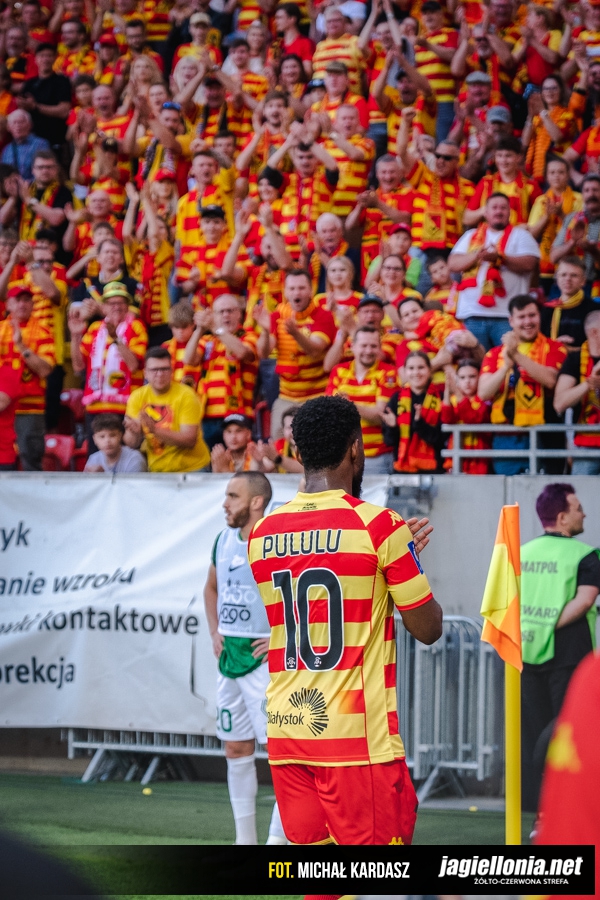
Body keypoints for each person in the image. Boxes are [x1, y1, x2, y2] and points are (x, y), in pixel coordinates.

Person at [247, 394, 442, 845]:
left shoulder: (261, 533)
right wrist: (405, 559)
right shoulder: (379, 526)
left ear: (298, 452)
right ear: (355, 448)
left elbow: (321, 578)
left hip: (289, 731)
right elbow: (428, 629)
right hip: (357, 741)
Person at [203, 471, 287, 845]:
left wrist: (280, 636)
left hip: (264, 661)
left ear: (256, 502)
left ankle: (277, 841)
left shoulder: (276, 541)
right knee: (236, 748)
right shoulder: (223, 540)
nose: (225, 504)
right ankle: (245, 842)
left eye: (233, 496)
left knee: (281, 754)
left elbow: (303, 592)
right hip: (230, 658)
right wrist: (215, 630)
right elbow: (211, 588)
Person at [520, 483, 600, 813]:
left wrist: (534, 628)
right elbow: (585, 601)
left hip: (525, 652)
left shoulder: (521, 552)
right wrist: (548, 626)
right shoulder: (585, 555)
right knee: (570, 732)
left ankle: (538, 810)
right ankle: (570, 806)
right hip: (569, 654)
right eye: (578, 508)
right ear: (563, 518)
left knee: (533, 734)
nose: (585, 514)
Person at [478, 293, 568, 474]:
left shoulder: (555, 348)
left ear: (539, 316)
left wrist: (516, 355)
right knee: (508, 491)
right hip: (506, 436)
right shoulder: (494, 354)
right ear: (511, 321)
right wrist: (505, 367)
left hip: (545, 432)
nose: (528, 321)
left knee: (546, 489)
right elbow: (484, 393)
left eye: (532, 315)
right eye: (521, 317)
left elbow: (550, 380)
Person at [449, 192, 541, 351]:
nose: (499, 211)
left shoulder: (521, 235)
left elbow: (529, 264)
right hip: (473, 314)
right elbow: (453, 263)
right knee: (474, 361)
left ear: (509, 212)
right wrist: (477, 255)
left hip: (508, 316)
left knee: (509, 359)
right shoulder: (471, 235)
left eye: (503, 208)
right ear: (485, 213)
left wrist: (499, 258)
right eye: (494, 207)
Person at [254, 268, 336, 440]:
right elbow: (264, 353)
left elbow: (315, 350)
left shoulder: (323, 315)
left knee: (316, 444)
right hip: (286, 396)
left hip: (317, 396)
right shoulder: (277, 316)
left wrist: (295, 333)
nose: (296, 293)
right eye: (292, 288)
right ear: (285, 292)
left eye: (301, 288)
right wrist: (265, 331)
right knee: (278, 442)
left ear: (311, 290)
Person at [326, 325, 397, 475]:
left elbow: (380, 415)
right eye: (364, 345)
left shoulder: (389, 373)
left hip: (376, 456)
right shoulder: (338, 371)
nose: (368, 351)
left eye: (373, 346)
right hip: (342, 456)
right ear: (353, 346)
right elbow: (330, 412)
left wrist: (348, 404)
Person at [0, 283, 54, 470]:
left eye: (26, 300)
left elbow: (45, 370)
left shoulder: (44, 331)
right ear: (8, 304)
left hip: (30, 408)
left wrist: (21, 347)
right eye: (17, 300)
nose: (22, 304)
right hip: (3, 409)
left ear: (32, 304)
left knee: (31, 462)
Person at [553, 310, 600, 475]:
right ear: (594, 332)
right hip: (585, 446)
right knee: (582, 491)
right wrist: (588, 383)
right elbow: (559, 403)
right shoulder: (575, 359)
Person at [382, 350, 445, 473]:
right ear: (405, 371)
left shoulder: (441, 398)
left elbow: (441, 438)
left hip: (435, 470)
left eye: (421, 367)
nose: (416, 372)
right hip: (402, 470)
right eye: (411, 368)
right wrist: (393, 427)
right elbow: (389, 441)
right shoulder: (396, 399)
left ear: (429, 370)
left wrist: (419, 423)